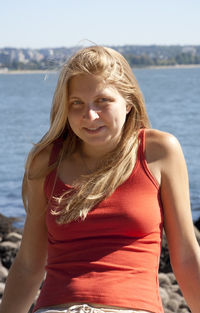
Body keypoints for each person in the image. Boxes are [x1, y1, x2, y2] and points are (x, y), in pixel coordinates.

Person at [0, 46, 200, 313]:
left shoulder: (159, 151)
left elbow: (186, 257)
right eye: (77, 103)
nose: (89, 116)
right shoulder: (46, 161)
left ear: (128, 102)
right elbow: (27, 265)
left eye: (103, 101)